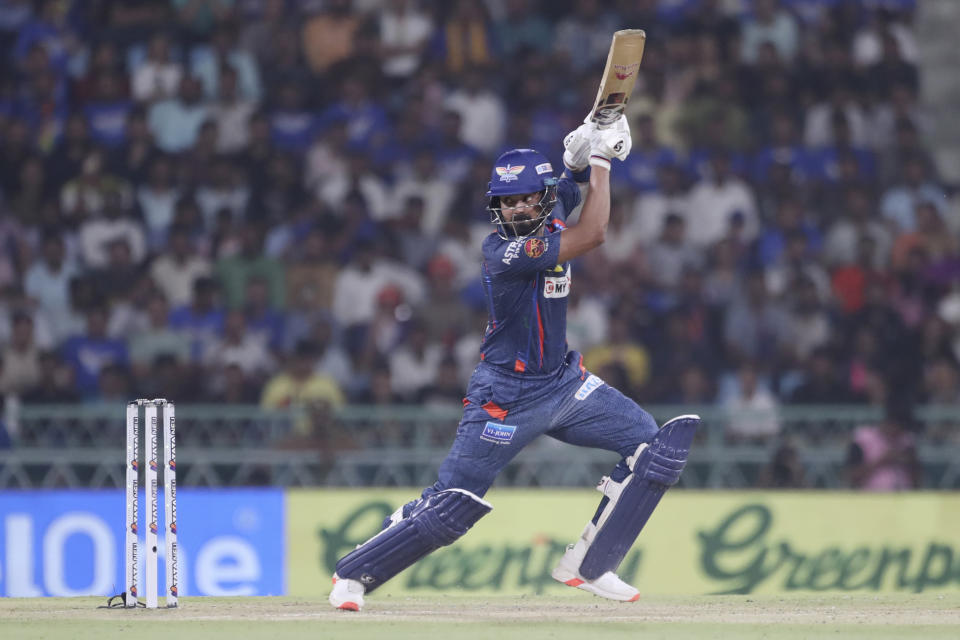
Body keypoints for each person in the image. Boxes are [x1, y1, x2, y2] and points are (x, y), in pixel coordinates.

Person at [328, 116, 700, 610]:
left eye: (528, 198)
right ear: (496, 206)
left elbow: (570, 187)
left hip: (564, 383)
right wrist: (603, 161)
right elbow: (593, 234)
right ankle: (353, 574)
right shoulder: (505, 251)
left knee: (655, 447)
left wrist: (577, 158)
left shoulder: (551, 207)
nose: (519, 207)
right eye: (508, 201)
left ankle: (590, 566)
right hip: (505, 395)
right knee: (451, 508)